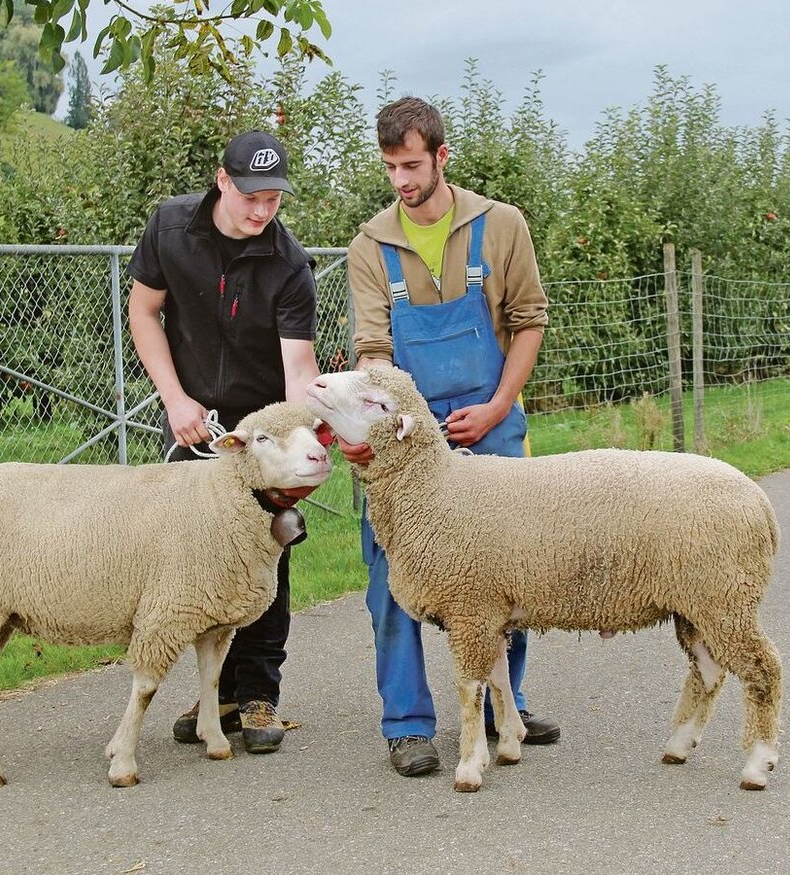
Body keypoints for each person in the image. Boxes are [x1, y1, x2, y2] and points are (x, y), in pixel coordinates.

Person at [342, 96, 560, 777]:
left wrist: (497, 406)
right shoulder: (370, 245)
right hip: (407, 438)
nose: (402, 181)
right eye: (390, 168)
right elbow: (372, 351)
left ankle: (505, 707)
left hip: (490, 424)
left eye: (412, 165)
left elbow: (529, 321)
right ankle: (408, 724)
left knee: (511, 567)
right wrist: (386, 428)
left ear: (442, 156)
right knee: (393, 573)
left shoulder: (501, 226)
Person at [126, 129, 320, 755]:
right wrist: (174, 398)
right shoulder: (170, 227)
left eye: (275, 199)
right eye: (252, 197)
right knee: (192, 560)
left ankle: (258, 691)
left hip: (263, 429)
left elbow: (298, 369)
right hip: (192, 416)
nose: (264, 211)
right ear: (222, 181)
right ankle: (216, 693)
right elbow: (144, 312)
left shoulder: (289, 264)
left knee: (269, 554)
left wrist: (300, 438)